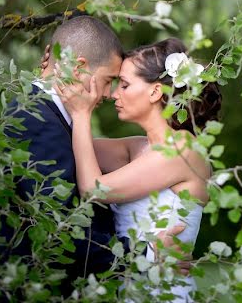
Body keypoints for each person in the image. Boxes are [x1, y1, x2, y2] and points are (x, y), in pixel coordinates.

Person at [0, 16, 187, 297]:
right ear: (79, 69)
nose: (111, 94)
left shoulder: (44, 116)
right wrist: (144, 256)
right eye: (109, 80)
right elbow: (59, 233)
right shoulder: (35, 120)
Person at [56, 37, 219, 302]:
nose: (113, 94)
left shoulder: (181, 149)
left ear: (155, 92)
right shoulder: (139, 148)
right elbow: (70, 147)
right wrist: (59, 81)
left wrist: (83, 114)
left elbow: (92, 188)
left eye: (125, 85)